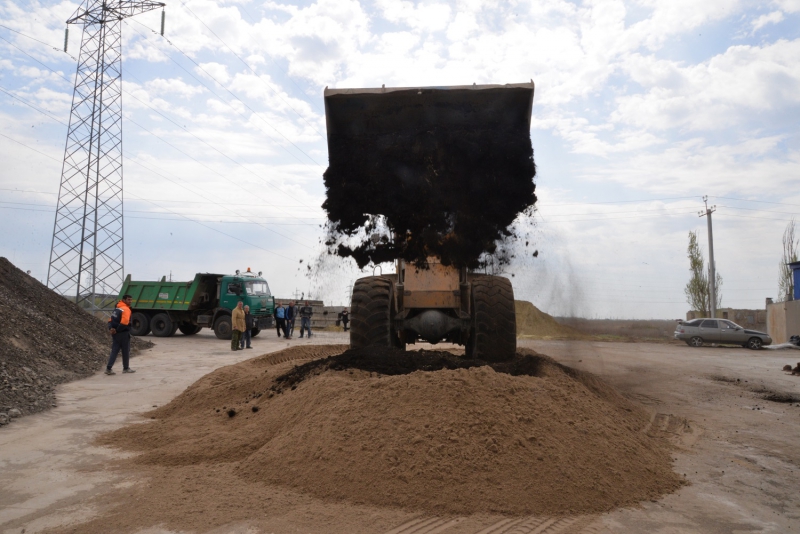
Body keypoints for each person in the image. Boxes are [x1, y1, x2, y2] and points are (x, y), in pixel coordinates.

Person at [106, 294, 135, 375]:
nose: (130, 301)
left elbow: (110, 320)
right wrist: (117, 330)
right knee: (125, 351)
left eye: (131, 300)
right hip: (123, 333)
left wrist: (111, 329)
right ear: (124, 300)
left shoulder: (117, 308)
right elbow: (125, 323)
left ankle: (108, 368)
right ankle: (126, 368)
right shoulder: (126, 309)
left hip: (115, 334)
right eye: (129, 300)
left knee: (114, 350)